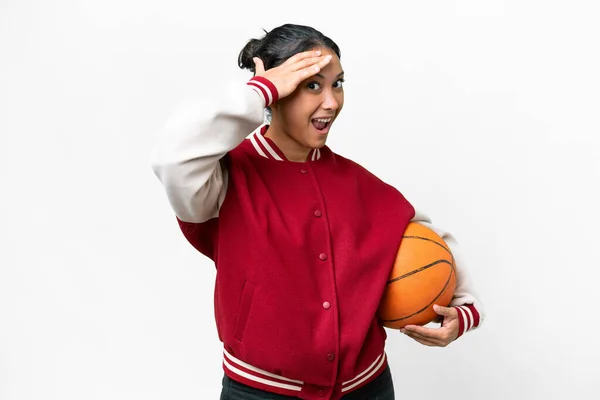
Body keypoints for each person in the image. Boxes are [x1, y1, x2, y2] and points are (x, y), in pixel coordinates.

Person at [151, 23, 485, 400]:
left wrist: (464, 312)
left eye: (337, 84)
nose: (331, 102)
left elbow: (423, 237)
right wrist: (259, 90)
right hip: (261, 392)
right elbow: (172, 157)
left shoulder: (357, 182)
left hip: (368, 389)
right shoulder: (223, 179)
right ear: (276, 92)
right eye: (312, 85)